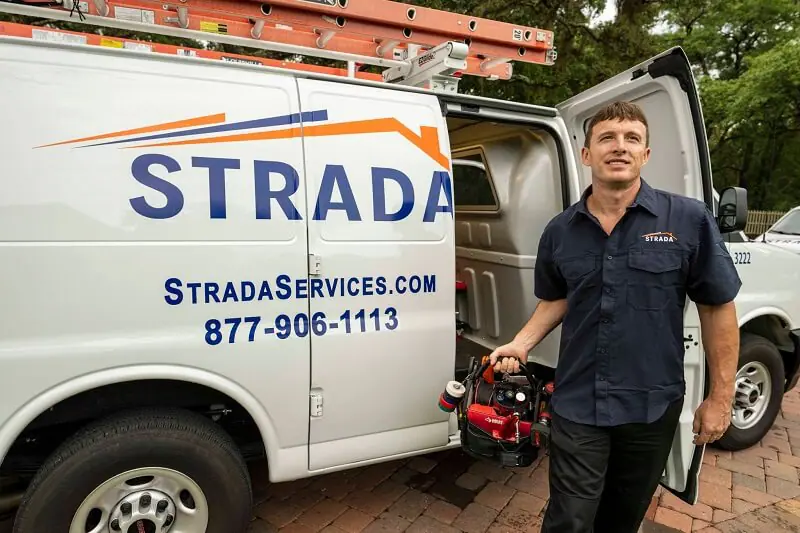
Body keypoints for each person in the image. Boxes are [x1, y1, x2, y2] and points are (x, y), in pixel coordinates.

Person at [488, 101, 741, 532]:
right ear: (587, 154)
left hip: (651, 405)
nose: (620, 147)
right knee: (568, 520)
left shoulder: (688, 220)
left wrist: (720, 398)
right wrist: (522, 342)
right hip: (578, 400)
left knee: (622, 520)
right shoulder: (560, 231)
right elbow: (557, 298)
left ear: (646, 153)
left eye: (632, 139)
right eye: (607, 138)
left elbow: (717, 307)